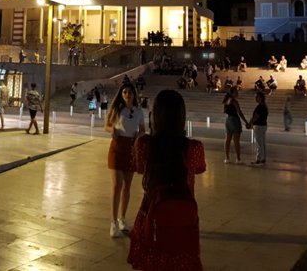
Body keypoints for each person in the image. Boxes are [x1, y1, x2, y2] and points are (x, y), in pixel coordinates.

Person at [127, 90, 206, 271]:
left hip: (152, 213)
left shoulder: (144, 145)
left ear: (154, 116)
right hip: (184, 216)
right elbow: (200, 168)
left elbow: (139, 168)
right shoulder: (194, 147)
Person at [104, 82, 146, 238]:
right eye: (124, 92)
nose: (127, 95)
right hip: (117, 147)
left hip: (131, 148)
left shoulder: (139, 112)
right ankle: (113, 221)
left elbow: (142, 129)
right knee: (117, 185)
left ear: (134, 94)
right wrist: (112, 130)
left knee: (127, 186)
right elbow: (107, 126)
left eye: (129, 92)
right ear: (121, 95)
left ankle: (122, 218)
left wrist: (139, 135)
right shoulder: (117, 109)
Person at [222, 89, 248, 164]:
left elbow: (224, 111)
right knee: (236, 141)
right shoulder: (234, 102)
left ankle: (227, 158)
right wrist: (246, 122)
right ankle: (238, 159)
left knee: (227, 140)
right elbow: (240, 112)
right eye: (236, 92)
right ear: (232, 93)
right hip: (235, 120)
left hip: (228, 120)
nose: (237, 93)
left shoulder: (226, 101)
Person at [248, 92, 268, 164]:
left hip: (258, 126)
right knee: (262, 143)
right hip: (263, 125)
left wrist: (250, 123)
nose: (255, 98)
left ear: (261, 98)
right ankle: (263, 158)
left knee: (259, 143)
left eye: (257, 97)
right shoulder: (264, 106)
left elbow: (256, 117)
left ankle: (258, 159)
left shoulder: (260, 107)